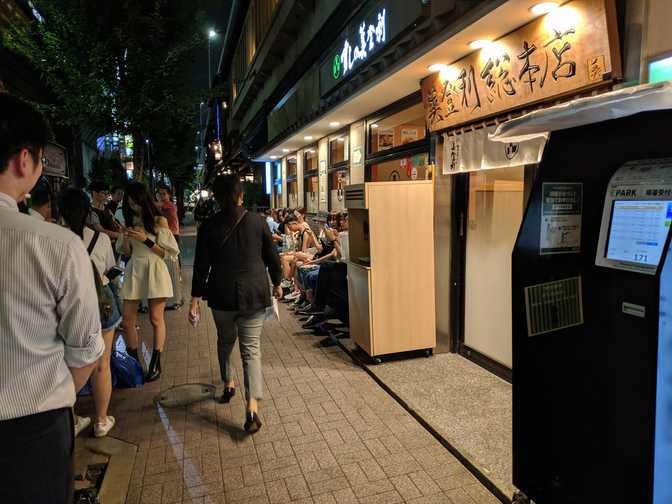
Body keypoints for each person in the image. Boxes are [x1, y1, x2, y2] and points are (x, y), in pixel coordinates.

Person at [0, 93, 104, 504]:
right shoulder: (54, 244)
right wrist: (56, 390)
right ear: (24, 160)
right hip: (33, 431)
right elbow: (85, 349)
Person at [190, 174, 282, 434]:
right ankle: (252, 407)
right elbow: (272, 257)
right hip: (254, 294)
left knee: (224, 341)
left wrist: (195, 298)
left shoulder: (208, 226)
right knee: (251, 350)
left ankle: (228, 382)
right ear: (241, 195)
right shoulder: (258, 221)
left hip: (221, 296)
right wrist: (277, 282)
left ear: (217, 198)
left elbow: (200, 266)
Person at [60, 188, 120, 438]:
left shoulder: (56, 239)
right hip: (101, 305)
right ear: (88, 212)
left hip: (68, 307)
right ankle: (101, 421)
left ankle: (71, 419)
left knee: (65, 363)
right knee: (102, 364)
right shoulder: (101, 239)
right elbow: (110, 269)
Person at [117, 182, 179, 382]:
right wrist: (126, 237)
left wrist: (145, 239)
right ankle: (135, 363)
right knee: (127, 321)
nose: (133, 206)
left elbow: (165, 253)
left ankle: (156, 361)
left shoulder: (159, 220)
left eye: (136, 202)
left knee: (155, 318)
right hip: (135, 267)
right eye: (130, 203)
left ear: (143, 200)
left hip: (154, 267)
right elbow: (126, 252)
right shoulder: (129, 221)